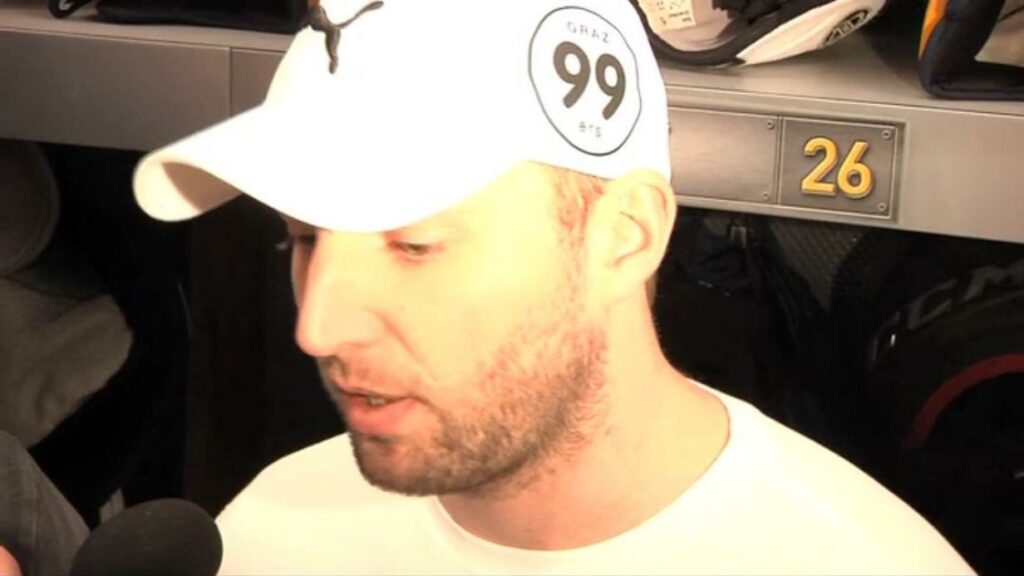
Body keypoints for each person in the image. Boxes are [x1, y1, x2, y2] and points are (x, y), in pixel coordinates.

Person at [132, 0, 976, 573]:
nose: (317, 326)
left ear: (624, 235)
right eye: (305, 239)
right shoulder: (263, 534)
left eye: (414, 246)